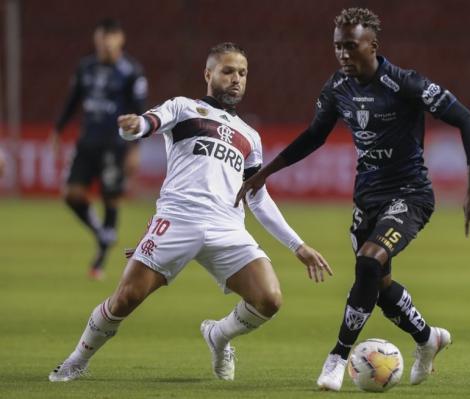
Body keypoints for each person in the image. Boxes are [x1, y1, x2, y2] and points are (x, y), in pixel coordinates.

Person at [48, 42, 332, 383]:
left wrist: (298, 245)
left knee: (269, 299)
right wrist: (132, 126)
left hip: (227, 227)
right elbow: (148, 123)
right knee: (126, 298)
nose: (236, 79)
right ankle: (76, 360)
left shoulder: (250, 136)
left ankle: (219, 336)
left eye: (242, 73)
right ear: (208, 74)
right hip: (178, 220)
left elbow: (256, 197)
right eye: (228, 71)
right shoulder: (184, 108)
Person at [236, 8, 470, 390]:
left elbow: (468, 120)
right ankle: (427, 338)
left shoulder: (406, 84)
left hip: (410, 195)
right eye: (338, 47)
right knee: (378, 288)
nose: (343, 55)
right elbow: (314, 136)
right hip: (367, 198)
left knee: (368, 264)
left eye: (351, 46)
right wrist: (266, 172)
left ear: (373, 45)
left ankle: (336, 357)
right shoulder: (337, 88)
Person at [50, 18, 148, 280]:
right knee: (71, 195)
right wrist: (58, 129)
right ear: (96, 40)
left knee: (111, 196)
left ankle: (100, 260)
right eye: (101, 38)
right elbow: (73, 101)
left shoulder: (131, 72)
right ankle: (102, 233)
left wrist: (135, 148)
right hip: (87, 142)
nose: (105, 43)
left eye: (110, 37)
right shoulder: (86, 68)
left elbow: (140, 113)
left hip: (115, 145)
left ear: (120, 40)